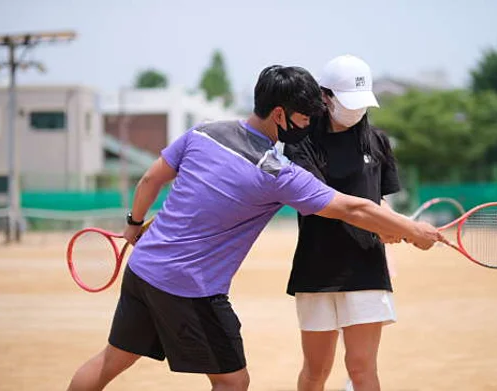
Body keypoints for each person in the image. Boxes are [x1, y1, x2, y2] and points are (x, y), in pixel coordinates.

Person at [66, 65, 441, 391]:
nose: (309, 125)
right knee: (233, 382)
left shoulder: (202, 133)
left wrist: (133, 225)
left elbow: (149, 179)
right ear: (280, 114)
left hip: (143, 270)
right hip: (191, 286)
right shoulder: (274, 172)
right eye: (305, 117)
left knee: (111, 360)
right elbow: (353, 208)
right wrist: (412, 229)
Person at [283, 55, 403, 391]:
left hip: (366, 267)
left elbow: (381, 201)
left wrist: (392, 228)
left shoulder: (377, 141)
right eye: (348, 102)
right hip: (316, 269)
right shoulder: (300, 143)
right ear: (325, 96)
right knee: (315, 371)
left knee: (362, 369)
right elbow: (325, 203)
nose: (356, 110)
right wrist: (404, 229)